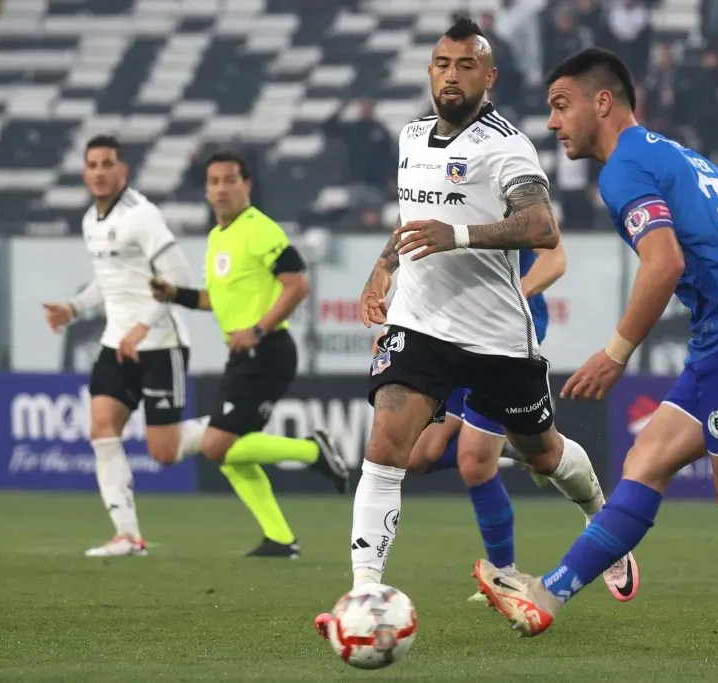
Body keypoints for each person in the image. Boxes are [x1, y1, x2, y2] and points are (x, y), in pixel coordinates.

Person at [472, 48, 718, 678]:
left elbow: (665, 264)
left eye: (561, 104)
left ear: (603, 102)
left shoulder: (624, 168)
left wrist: (615, 352)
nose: (552, 122)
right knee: (647, 460)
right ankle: (546, 596)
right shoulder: (671, 153)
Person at [315, 17, 627, 628]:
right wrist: (383, 270)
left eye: (464, 66)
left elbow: (543, 228)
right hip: (420, 325)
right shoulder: (409, 137)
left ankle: (600, 515)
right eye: (441, 64)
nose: (451, 75)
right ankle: (362, 594)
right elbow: (413, 217)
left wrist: (456, 236)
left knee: (542, 455)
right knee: (385, 451)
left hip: (496, 338)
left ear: (489, 77)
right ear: (430, 71)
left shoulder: (506, 145)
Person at [404, 243, 640, 605]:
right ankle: (518, 447)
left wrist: (515, 294)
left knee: (475, 460)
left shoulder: (505, 190)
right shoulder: (429, 192)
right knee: (417, 455)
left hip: (502, 338)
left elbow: (556, 256)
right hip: (447, 337)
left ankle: (523, 565)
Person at [150, 150, 349, 557]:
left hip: (268, 351)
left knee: (215, 447)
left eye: (229, 180)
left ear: (247, 185)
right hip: (246, 355)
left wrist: (258, 330)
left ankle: (312, 451)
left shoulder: (260, 229)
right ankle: (279, 537)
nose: (221, 189)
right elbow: (214, 300)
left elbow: (297, 286)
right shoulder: (217, 237)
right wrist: (176, 295)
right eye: (214, 182)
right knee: (230, 454)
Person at [43, 135, 208, 558]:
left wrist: (142, 327)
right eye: (92, 165)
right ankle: (127, 536)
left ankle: (227, 425)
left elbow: (181, 279)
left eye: (107, 164)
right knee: (101, 429)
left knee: (164, 452)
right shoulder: (90, 221)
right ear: (85, 172)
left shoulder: (143, 216)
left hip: (160, 344)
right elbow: (109, 279)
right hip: (115, 344)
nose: (99, 172)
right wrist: (74, 308)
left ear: (123, 171)